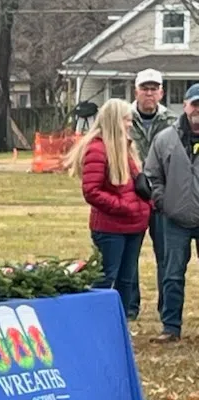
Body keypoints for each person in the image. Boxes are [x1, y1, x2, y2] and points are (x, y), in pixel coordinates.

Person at [63, 98, 151, 317]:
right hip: (111, 228)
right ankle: (95, 316)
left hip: (134, 225)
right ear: (114, 121)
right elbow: (91, 191)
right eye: (126, 120)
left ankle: (120, 319)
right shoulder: (98, 150)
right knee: (107, 274)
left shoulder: (127, 147)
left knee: (127, 277)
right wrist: (123, 206)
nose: (130, 124)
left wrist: (146, 204)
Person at [143, 83, 199, 342]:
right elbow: (152, 175)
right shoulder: (165, 138)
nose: (198, 109)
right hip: (174, 218)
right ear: (185, 106)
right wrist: (163, 201)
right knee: (172, 274)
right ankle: (171, 327)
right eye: (195, 104)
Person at [129, 69, 177, 320]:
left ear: (161, 92)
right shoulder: (122, 119)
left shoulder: (173, 121)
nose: (149, 93)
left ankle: (165, 307)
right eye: (144, 88)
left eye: (154, 88)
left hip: (161, 196)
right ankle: (130, 307)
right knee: (130, 255)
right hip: (130, 195)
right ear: (136, 90)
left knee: (166, 255)